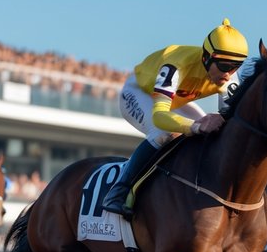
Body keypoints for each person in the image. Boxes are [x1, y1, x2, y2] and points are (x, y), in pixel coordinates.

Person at [100, 19, 249, 217]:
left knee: (212, 134)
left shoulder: (228, 76)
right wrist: (194, 127)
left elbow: (231, 123)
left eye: (236, 66)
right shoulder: (176, 65)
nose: (229, 74)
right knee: (164, 133)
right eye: (224, 66)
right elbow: (160, 116)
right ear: (206, 58)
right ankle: (118, 191)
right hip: (139, 93)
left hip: (176, 99)